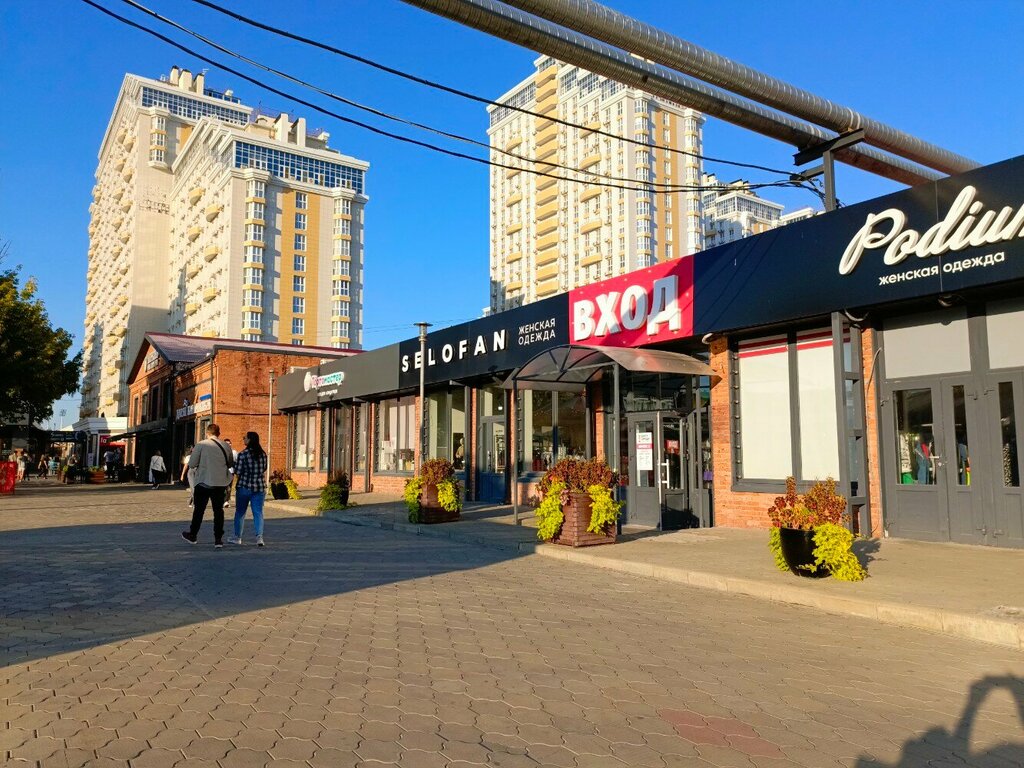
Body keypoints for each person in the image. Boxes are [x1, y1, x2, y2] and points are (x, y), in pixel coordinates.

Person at [182, 423, 234, 548]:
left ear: (207, 433)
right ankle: (218, 539)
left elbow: (192, 464)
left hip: (203, 482)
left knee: (199, 511)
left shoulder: (201, 445)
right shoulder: (226, 445)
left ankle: (193, 534)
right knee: (218, 511)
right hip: (220, 483)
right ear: (219, 433)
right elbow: (230, 463)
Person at [229, 431, 269, 547]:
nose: (243, 439)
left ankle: (237, 537)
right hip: (259, 487)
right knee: (258, 513)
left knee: (240, 512)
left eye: (245, 438)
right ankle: (259, 537)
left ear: (250, 440)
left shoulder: (243, 454)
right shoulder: (263, 454)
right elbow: (264, 468)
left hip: (244, 486)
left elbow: (238, 471)